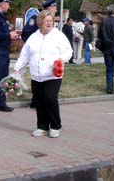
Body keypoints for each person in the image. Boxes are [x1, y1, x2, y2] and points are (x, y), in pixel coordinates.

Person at [13, 10, 72, 138]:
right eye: (46, 21)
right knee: (39, 101)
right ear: (40, 22)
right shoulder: (34, 37)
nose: (49, 23)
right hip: (36, 75)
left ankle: (55, 126)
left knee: (50, 99)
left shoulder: (59, 36)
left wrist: (61, 59)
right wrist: (17, 68)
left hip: (52, 75)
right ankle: (42, 126)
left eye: (51, 21)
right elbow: (24, 55)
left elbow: (68, 51)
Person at [22, 0, 57, 108]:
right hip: (38, 53)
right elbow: (26, 33)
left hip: (48, 54)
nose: (56, 9)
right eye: (54, 7)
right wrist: (33, 46)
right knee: (38, 76)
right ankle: (36, 101)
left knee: (46, 76)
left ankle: (40, 100)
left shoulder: (51, 20)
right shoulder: (36, 18)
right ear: (50, 7)